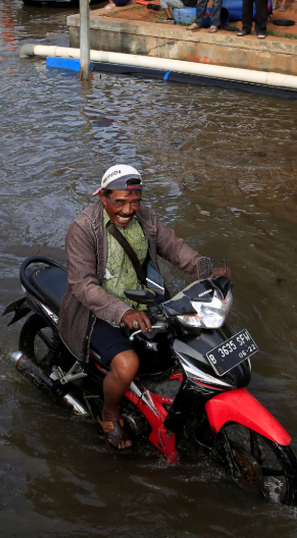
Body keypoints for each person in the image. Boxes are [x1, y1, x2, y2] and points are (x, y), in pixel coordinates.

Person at [58, 165, 229, 451]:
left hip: (145, 299)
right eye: (120, 202)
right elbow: (83, 285)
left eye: (134, 202)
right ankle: (110, 414)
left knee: (193, 334)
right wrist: (122, 312)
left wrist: (206, 269)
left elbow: (173, 248)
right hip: (97, 312)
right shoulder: (83, 229)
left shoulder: (146, 217)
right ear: (103, 197)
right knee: (128, 364)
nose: (128, 210)